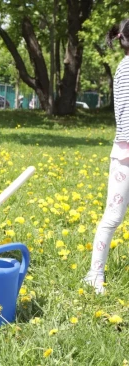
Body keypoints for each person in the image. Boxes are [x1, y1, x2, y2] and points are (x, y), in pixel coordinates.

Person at [83, 19, 129, 294]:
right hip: (125, 155)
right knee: (112, 217)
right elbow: (125, 118)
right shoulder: (125, 70)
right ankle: (94, 274)